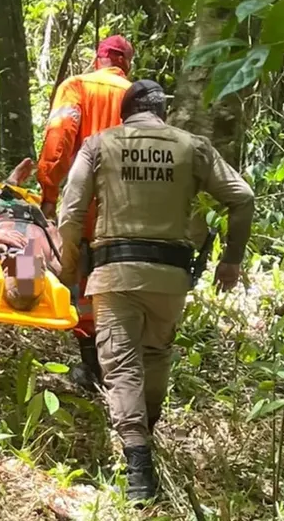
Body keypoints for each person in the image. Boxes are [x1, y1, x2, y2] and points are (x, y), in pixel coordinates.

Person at [57, 80, 255, 502]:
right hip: (170, 276)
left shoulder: (98, 145)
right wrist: (231, 259)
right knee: (156, 355)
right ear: (161, 112)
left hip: (115, 274)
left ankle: (138, 468)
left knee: (121, 365)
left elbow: (71, 212)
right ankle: (145, 434)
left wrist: (69, 262)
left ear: (125, 112)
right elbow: (242, 197)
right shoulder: (192, 147)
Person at [36, 34, 135, 392]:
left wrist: (48, 190)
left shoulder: (77, 86)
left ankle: (91, 364)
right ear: (127, 64)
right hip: (128, 209)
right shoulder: (138, 95)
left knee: (80, 282)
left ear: (99, 59)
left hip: (83, 206)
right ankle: (114, 366)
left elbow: (59, 139)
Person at [0, 152, 62, 311]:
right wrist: (49, 226)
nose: (24, 252)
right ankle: (11, 184)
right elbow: (54, 231)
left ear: (6, 266)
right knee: (13, 196)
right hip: (26, 212)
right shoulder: (55, 265)